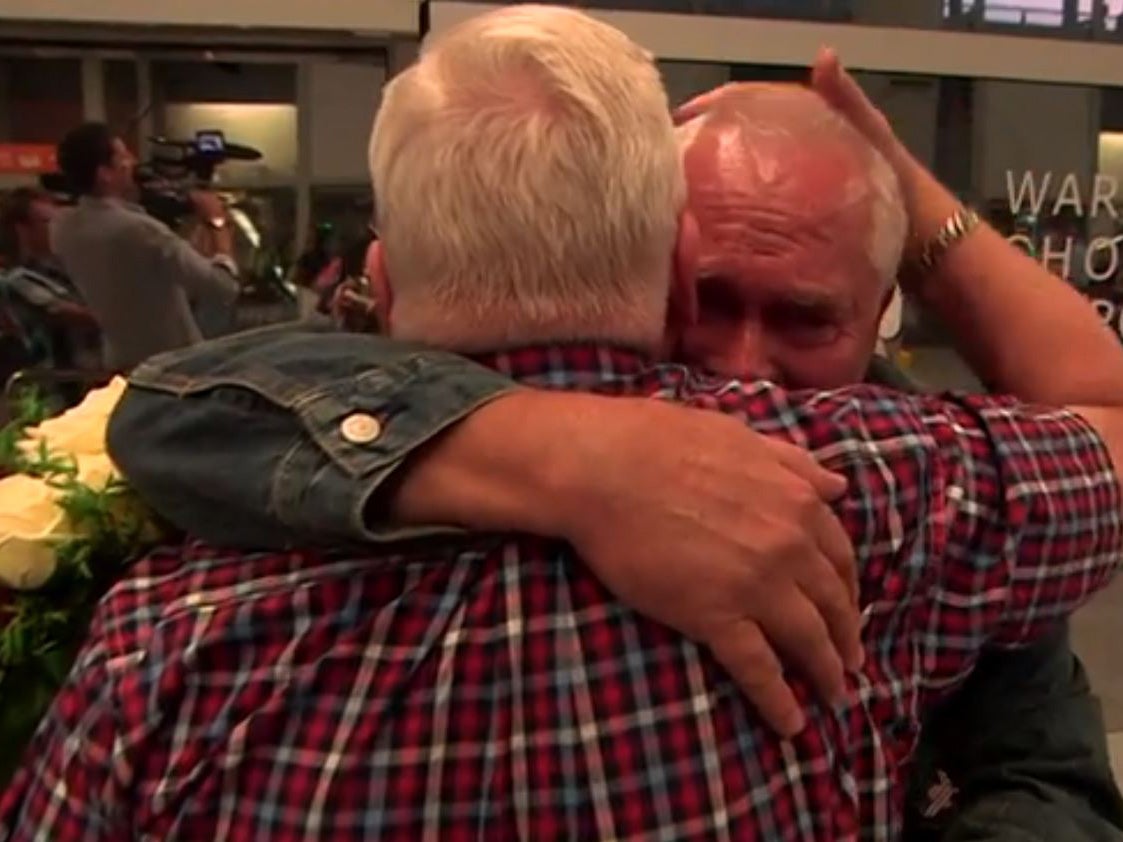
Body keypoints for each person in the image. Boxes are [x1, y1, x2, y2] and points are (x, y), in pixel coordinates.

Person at [7, 7, 1123, 839]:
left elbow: (1049, 784)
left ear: (383, 288)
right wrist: (558, 453)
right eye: (720, 300)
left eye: (803, 317)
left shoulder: (165, 633)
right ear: (677, 272)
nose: (742, 364)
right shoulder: (890, 492)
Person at [50, 123, 241, 372]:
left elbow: (152, 273)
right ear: (104, 173)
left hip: (120, 363)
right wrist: (218, 222)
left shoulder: (62, 227)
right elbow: (223, 287)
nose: (132, 162)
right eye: (123, 157)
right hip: (173, 369)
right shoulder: (139, 230)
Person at [0, 188, 101, 397]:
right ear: (23, 230)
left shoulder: (66, 267)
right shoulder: (17, 280)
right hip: (61, 385)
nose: (56, 230)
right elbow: (70, 315)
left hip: (94, 374)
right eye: (47, 223)